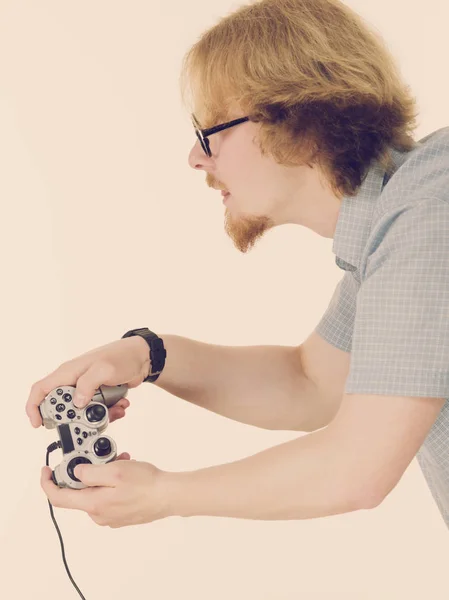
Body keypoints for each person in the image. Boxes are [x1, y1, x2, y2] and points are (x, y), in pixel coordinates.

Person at [27, 0, 449, 530]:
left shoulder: (428, 215)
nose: (196, 158)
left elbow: (356, 469)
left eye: (211, 132)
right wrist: (147, 355)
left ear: (296, 120)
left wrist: (163, 495)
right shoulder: (397, 222)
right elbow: (311, 384)